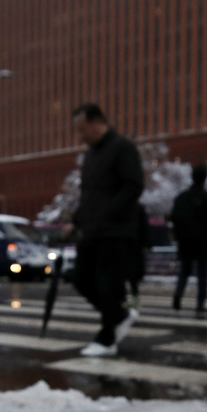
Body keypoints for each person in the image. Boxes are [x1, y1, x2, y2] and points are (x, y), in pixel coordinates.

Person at [63, 104, 144, 358]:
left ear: (98, 123)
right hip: (92, 230)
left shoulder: (123, 148)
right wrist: (75, 221)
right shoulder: (91, 156)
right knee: (81, 278)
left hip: (116, 230)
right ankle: (119, 315)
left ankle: (107, 337)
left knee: (109, 285)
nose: (80, 136)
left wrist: (109, 212)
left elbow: (133, 186)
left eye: (83, 129)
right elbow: (87, 195)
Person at [168, 165, 207, 315]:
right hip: (202, 239)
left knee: (185, 270)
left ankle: (178, 295)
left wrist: (178, 236)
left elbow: (173, 217)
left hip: (185, 240)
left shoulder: (182, 197)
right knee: (202, 272)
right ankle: (200, 302)